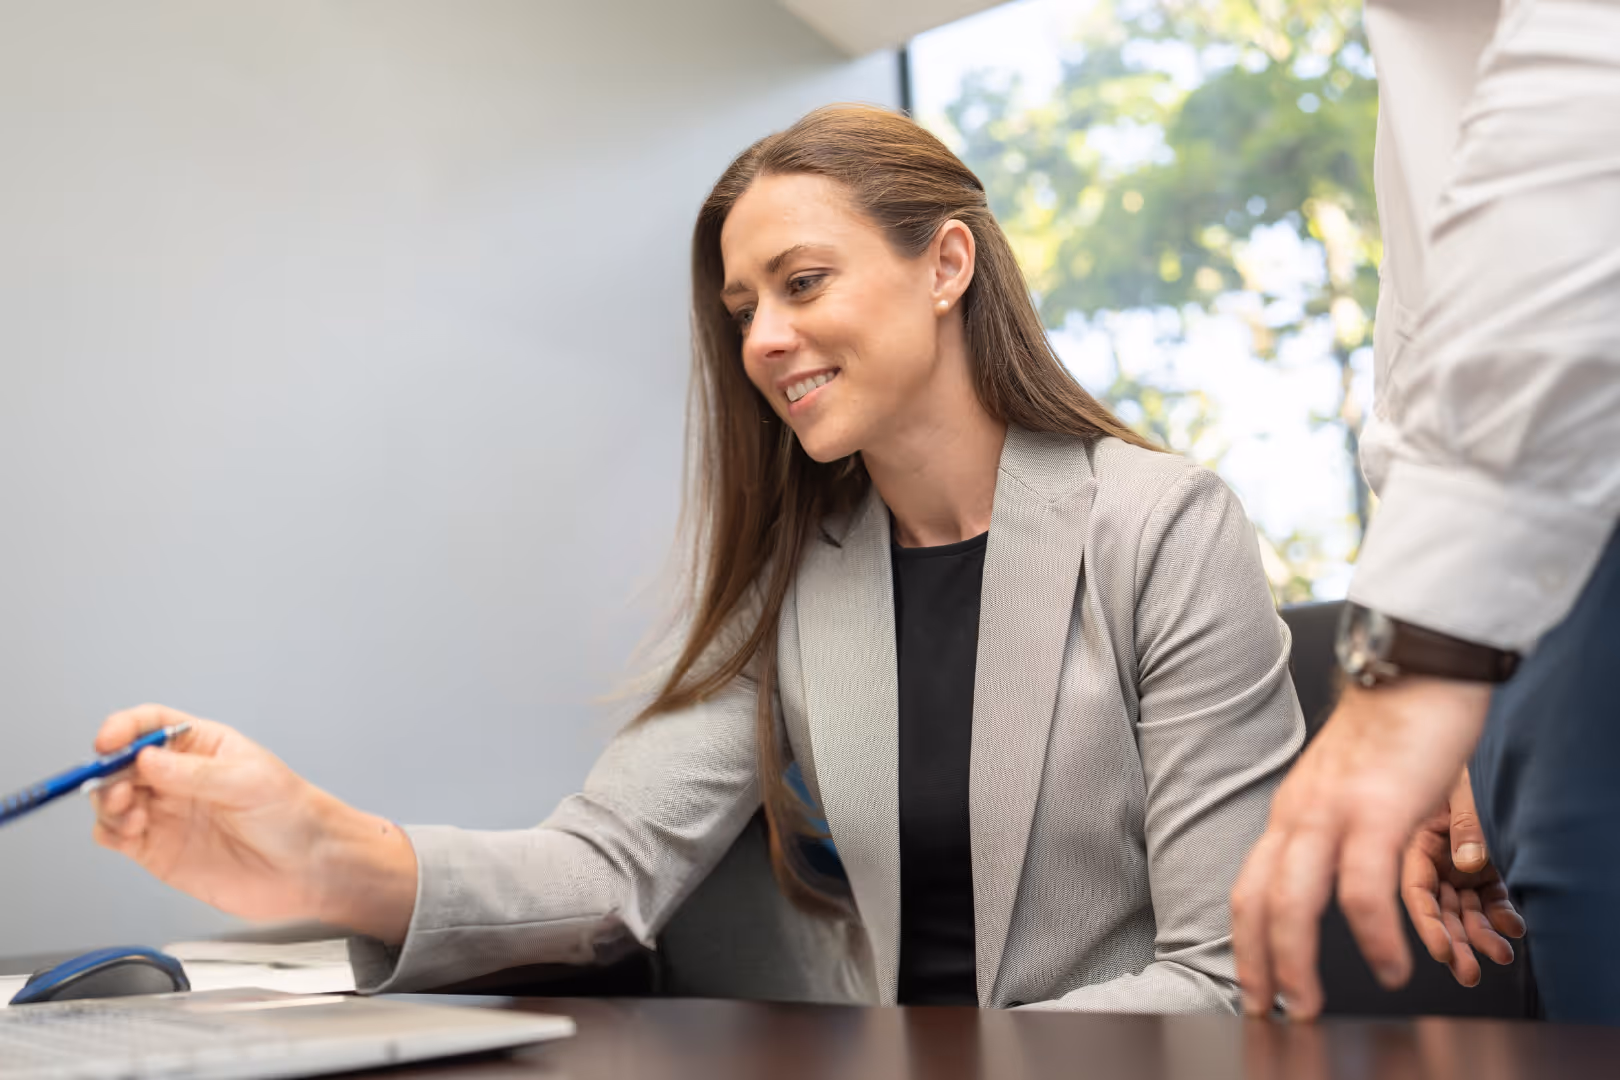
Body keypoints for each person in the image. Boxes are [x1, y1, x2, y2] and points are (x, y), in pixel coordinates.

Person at [91, 104, 1304, 1012]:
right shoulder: (799, 568)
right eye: (741, 312)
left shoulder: (1163, 527)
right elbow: (607, 864)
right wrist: (327, 846)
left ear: (946, 265)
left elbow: (1229, 976)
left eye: (802, 283)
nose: (766, 341)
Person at [1231, 0, 1620, 1024]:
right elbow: (1431, 276)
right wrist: (1445, 629)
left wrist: (1430, 638)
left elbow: (1596, 89)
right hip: (1519, 584)